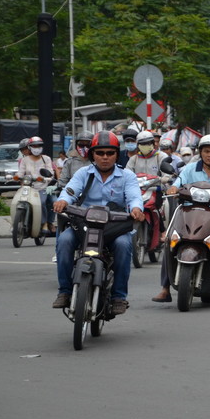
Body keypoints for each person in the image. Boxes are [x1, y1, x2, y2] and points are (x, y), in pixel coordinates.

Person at [51, 131, 145, 313]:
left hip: (114, 227)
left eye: (110, 153)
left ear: (117, 155)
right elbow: (70, 191)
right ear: (92, 154)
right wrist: (63, 201)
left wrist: (136, 209)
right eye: (100, 153)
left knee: (124, 245)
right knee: (64, 241)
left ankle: (119, 296)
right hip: (84, 225)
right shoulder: (82, 173)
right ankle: (64, 291)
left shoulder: (127, 176)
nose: (105, 157)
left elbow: (134, 197)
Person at [152, 134, 210, 306]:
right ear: (200, 153)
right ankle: (165, 288)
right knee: (171, 242)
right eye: (206, 151)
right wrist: (173, 188)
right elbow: (179, 182)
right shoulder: (190, 169)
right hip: (189, 213)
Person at [16, 136, 56, 234]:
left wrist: (44, 178)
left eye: (39, 146)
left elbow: (51, 173)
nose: (36, 148)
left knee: (42, 202)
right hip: (28, 187)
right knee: (17, 200)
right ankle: (16, 224)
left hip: (42, 187)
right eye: (34, 146)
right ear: (30, 147)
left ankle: (45, 223)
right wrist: (15, 177)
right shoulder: (24, 160)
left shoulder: (46, 159)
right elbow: (21, 172)